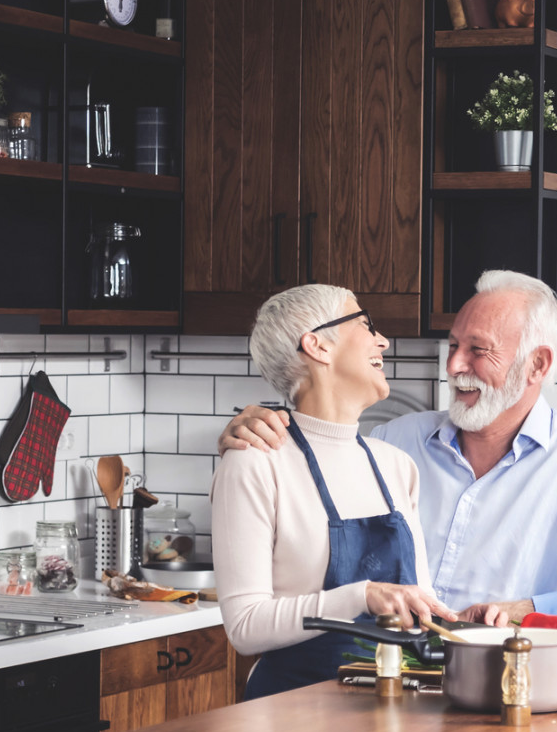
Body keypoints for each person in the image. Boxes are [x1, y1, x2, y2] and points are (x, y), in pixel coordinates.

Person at [222, 270, 557, 623]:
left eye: (478, 350)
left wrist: (525, 610)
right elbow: (312, 461)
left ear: (538, 364)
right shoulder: (393, 442)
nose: (455, 366)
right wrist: (257, 432)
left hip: (509, 680)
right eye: (454, 346)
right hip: (389, 681)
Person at [212, 284, 502, 701]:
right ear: (317, 346)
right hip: (290, 715)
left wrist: (455, 621)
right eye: (366, 325)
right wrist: (362, 596)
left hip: (392, 709)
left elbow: (413, 603)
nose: (382, 340)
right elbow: (245, 628)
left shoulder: (394, 464)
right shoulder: (254, 460)